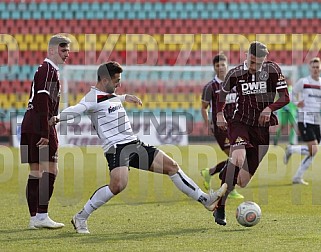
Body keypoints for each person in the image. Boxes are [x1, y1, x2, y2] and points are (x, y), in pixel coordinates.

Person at [50, 61, 227, 234]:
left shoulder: (109, 94)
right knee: (118, 184)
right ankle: (81, 217)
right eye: (116, 80)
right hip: (116, 148)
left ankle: (205, 199)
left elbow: (111, 98)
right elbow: (77, 109)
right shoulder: (91, 98)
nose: (119, 84)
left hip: (133, 143)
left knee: (172, 166)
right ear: (105, 80)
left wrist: (126, 97)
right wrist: (58, 118)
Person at [215, 41, 290, 226]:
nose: (254, 66)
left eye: (258, 63)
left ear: (266, 59)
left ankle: (226, 170)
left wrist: (269, 108)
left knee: (242, 181)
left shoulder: (273, 71)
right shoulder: (235, 73)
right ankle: (220, 206)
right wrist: (219, 114)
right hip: (239, 123)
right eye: (251, 61)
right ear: (246, 55)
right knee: (238, 159)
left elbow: (285, 97)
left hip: (261, 129)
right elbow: (221, 96)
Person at [20, 34, 71, 229]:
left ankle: (35, 218)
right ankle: (41, 215)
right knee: (51, 169)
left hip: (28, 123)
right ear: (52, 50)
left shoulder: (43, 69)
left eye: (67, 50)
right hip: (40, 125)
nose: (67, 54)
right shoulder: (50, 70)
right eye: (63, 50)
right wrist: (44, 131)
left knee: (35, 171)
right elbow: (43, 101)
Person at [200, 54, 244, 199]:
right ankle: (229, 188)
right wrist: (208, 125)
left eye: (223, 65)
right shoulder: (210, 87)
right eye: (217, 65)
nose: (220, 67)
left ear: (227, 65)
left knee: (238, 159)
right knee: (235, 158)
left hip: (236, 126)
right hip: (221, 128)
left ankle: (211, 172)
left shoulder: (236, 83)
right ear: (214, 67)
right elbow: (203, 108)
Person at [284, 57, 321, 185]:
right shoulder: (303, 82)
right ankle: (297, 174)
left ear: (320, 68)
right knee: (314, 149)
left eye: (318, 67)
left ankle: (297, 174)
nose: (316, 69)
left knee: (314, 151)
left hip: (316, 120)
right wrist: (296, 102)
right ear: (310, 68)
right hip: (305, 118)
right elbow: (291, 94)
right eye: (313, 67)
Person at [273, 77, 298, 146]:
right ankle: (276, 139)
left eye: (289, 81)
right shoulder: (282, 90)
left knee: (293, 125)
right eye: (287, 81)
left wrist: (296, 107)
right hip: (283, 110)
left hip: (291, 110)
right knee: (282, 126)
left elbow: (296, 100)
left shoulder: (293, 90)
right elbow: (278, 100)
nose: (289, 82)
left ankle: (291, 142)